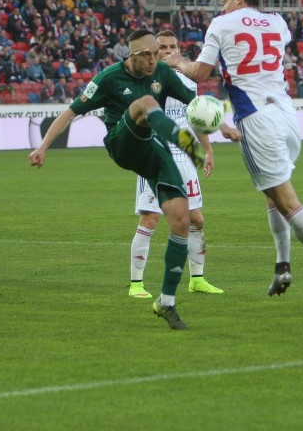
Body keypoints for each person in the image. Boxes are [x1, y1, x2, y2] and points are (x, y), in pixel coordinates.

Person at [164, 0, 303, 296]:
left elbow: (201, 72)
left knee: (287, 201)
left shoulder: (221, 24)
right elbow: (277, 41)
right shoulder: (278, 23)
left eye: (225, 0)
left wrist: (177, 60)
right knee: (273, 195)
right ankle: (282, 268)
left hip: (255, 120)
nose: (222, 6)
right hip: (286, 115)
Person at [29, 29, 228, 330]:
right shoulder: (108, 78)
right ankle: (191, 150)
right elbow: (69, 113)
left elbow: (195, 106)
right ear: (131, 56)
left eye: (155, 53)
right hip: (123, 143)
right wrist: (43, 146)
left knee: (181, 220)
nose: (153, 59)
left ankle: (167, 302)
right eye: (147, 54)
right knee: (146, 103)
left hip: (153, 150)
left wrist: (223, 126)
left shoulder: (163, 72)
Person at [128, 30, 235, 299]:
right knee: (150, 218)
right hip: (154, 154)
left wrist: (207, 150)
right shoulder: (146, 79)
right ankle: (136, 283)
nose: (167, 51)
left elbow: (196, 119)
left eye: (172, 46)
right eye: (162, 47)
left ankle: (197, 279)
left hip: (184, 154)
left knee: (196, 219)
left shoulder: (188, 81)